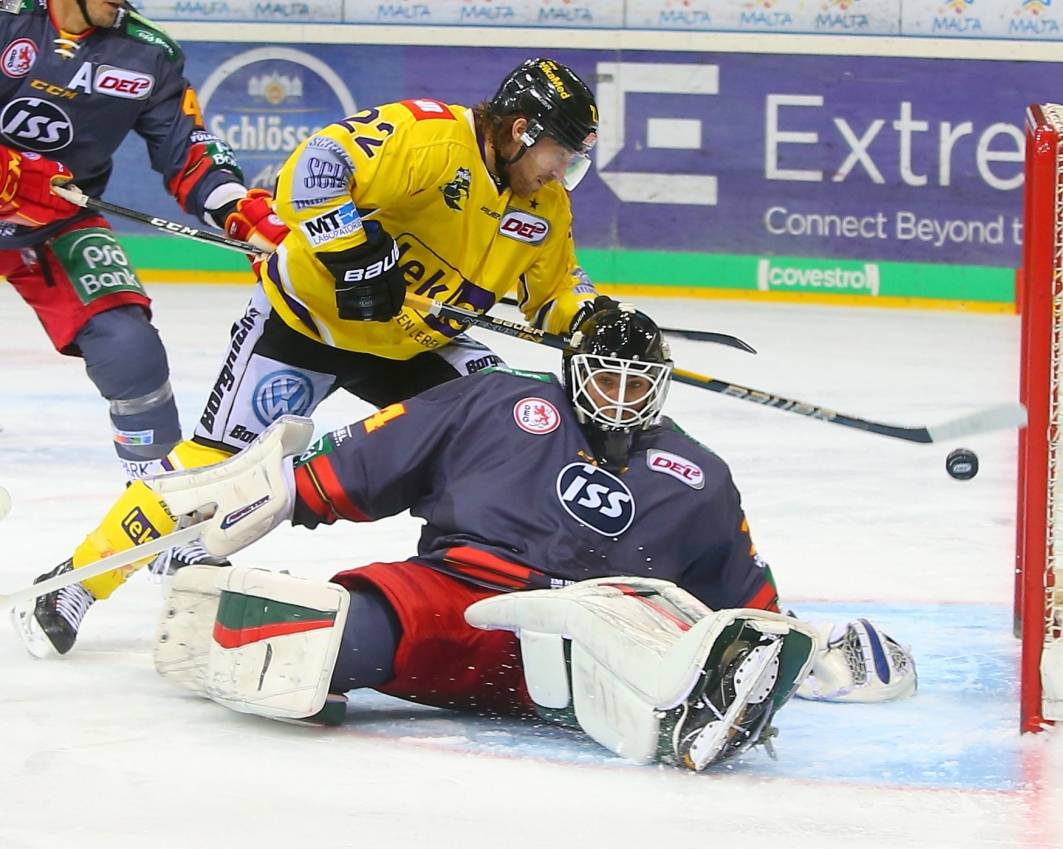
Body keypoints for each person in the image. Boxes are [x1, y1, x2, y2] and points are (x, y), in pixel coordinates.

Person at [18, 307, 917, 770]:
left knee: (657, 654)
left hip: (598, 628)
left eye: (638, 380)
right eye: (604, 375)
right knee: (316, 640)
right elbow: (355, 466)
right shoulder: (495, 401)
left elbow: (744, 604)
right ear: (574, 370)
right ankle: (670, 710)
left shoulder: (699, 474)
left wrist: (801, 647)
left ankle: (688, 716)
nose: (619, 395)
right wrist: (275, 490)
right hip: (460, 600)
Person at [13, 55, 622, 651]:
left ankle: (486, 588)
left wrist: (597, 318)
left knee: (513, 427)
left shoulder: (544, 205)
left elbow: (557, 286)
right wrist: (352, 253)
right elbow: (316, 167)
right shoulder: (430, 137)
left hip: (413, 344)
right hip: (307, 324)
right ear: (521, 131)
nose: (561, 172)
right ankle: (75, 584)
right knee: (211, 467)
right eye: (560, 155)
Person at [0, 0, 258, 481]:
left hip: (54, 223)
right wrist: (11, 172)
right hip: (28, 203)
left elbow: (188, 148)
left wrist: (237, 208)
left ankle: (159, 516)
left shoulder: (148, 53)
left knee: (130, 351)